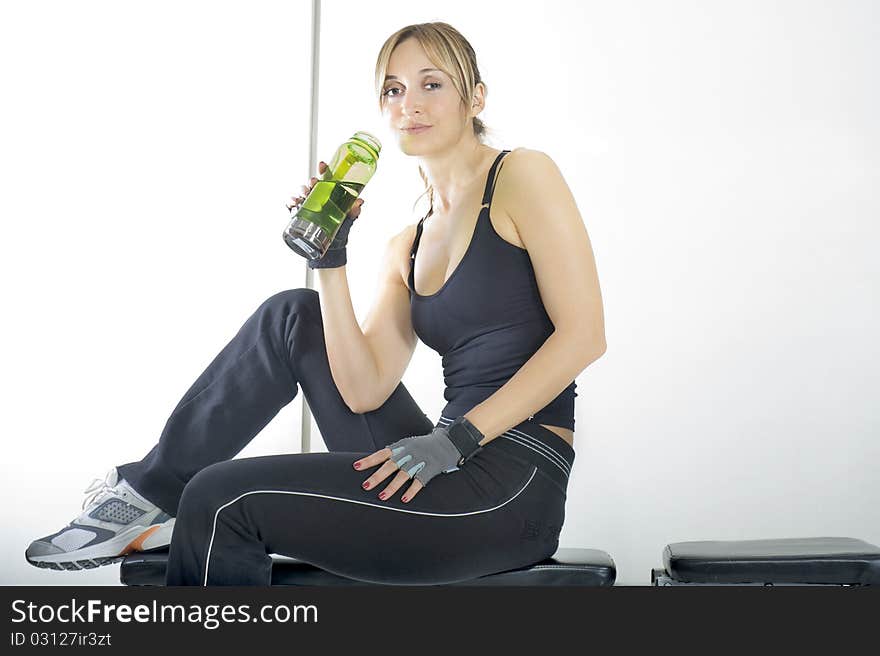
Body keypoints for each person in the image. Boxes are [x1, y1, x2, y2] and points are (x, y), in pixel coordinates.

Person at [24, 21, 606, 586]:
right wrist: (330, 258)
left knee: (221, 497)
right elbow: (362, 390)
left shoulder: (522, 175)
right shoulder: (409, 242)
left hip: (510, 482)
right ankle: (148, 495)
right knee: (293, 313)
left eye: (432, 84)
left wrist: (456, 439)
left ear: (475, 97)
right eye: (393, 90)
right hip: (436, 460)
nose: (410, 104)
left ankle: (174, 500)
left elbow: (584, 336)